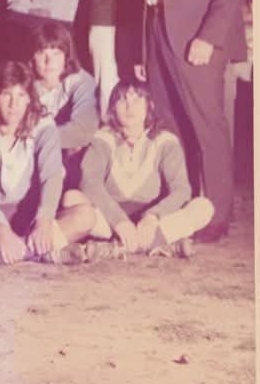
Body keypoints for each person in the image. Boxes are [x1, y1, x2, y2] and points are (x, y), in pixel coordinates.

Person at [137, 0, 249, 241]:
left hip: (198, 41)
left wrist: (209, 36)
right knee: (169, 125)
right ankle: (185, 207)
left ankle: (215, 216)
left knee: (207, 125)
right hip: (158, 39)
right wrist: (142, 50)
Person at [0, 61, 95, 266]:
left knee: (86, 216)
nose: (14, 105)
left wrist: (44, 220)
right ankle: (41, 253)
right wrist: (1, 230)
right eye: (6, 95)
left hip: (31, 215)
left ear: (29, 98)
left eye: (21, 95)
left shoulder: (44, 126)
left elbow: (52, 175)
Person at [74, 81, 214, 259]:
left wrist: (152, 216)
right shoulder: (102, 138)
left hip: (151, 221)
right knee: (71, 199)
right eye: (122, 100)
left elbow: (181, 190)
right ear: (113, 108)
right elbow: (90, 183)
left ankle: (118, 248)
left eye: (138, 100)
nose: (129, 107)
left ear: (150, 106)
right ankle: (161, 244)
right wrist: (119, 221)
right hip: (110, 219)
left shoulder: (165, 141)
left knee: (204, 207)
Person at [30, 22, 98, 154]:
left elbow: (82, 132)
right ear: (32, 56)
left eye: (56, 53)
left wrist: (33, 138)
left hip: (66, 154)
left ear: (67, 56)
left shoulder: (82, 82)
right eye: (41, 53)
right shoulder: (24, 83)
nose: (49, 61)